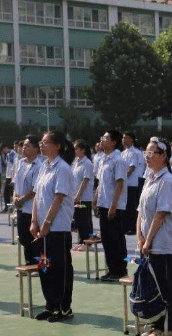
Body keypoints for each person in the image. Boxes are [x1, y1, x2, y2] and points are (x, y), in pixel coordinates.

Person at [137, 136, 172, 336]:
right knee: (152, 287)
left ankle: (168, 327)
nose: (147, 156)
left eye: (151, 152)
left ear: (163, 156)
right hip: (147, 243)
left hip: (161, 242)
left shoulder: (168, 181)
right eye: (146, 152)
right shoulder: (150, 178)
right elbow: (140, 212)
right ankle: (156, 325)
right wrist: (140, 237)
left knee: (164, 286)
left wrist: (148, 239)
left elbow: (161, 214)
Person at [31, 130, 75, 322]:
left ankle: (63, 307)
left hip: (58, 228)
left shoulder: (62, 168)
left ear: (57, 146)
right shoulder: (44, 166)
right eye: (41, 142)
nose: (42, 145)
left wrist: (47, 222)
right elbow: (37, 195)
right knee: (44, 266)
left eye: (46, 142)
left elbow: (58, 197)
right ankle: (50, 305)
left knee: (60, 269)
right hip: (42, 228)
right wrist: (34, 221)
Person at [93, 130, 128, 281]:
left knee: (116, 238)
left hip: (114, 206)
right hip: (103, 203)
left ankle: (120, 270)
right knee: (107, 239)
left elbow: (119, 183)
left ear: (114, 142)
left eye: (105, 137)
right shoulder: (103, 159)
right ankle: (111, 268)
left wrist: (113, 205)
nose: (102, 139)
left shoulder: (118, 160)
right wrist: (95, 199)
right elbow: (101, 183)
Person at [13, 135, 43, 265]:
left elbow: (35, 188)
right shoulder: (19, 163)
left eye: (27, 145)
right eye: (23, 145)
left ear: (36, 149)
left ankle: (39, 265)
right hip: (21, 207)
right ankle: (29, 263)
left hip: (32, 208)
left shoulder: (39, 165)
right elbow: (16, 184)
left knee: (34, 238)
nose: (24, 148)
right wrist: (15, 197)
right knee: (24, 238)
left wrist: (23, 199)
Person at [71, 140, 94, 251]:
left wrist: (78, 195)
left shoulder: (87, 163)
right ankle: (81, 241)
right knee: (79, 219)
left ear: (83, 150)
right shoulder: (75, 162)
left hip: (84, 198)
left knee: (85, 220)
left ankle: (88, 242)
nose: (74, 151)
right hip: (76, 197)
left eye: (76, 148)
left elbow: (85, 181)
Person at [122, 132, 145, 235]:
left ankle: (133, 227)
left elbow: (131, 168)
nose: (123, 139)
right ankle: (126, 226)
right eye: (123, 137)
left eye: (126, 138)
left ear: (131, 140)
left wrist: (123, 178)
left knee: (132, 206)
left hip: (133, 183)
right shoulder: (123, 153)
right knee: (125, 206)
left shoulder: (135, 152)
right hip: (125, 184)